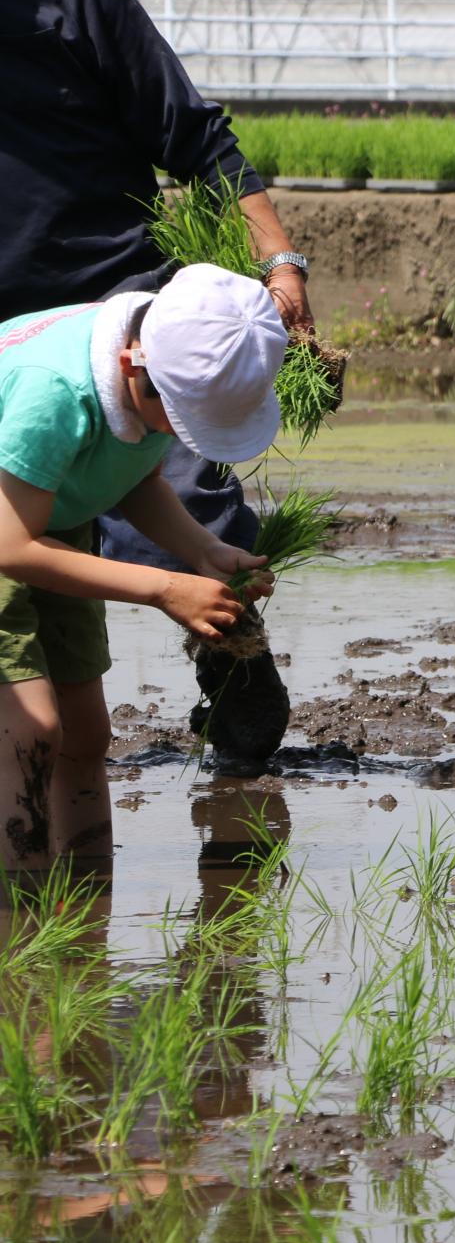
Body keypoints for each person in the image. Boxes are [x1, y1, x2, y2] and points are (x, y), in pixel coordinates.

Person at [0, 0, 322, 765]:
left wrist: (277, 260)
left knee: (185, 496)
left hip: (119, 302)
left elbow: (194, 136)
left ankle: (237, 668)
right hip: (13, 345)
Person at [0, 265, 284, 873]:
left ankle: (85, 902)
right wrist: (162, 588)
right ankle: (18, 921)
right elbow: (11, 547)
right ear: (134, 365)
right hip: (7, 530)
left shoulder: (168, 360)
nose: (179, 435)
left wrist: (202, 550)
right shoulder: (53, 392)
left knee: (85, 734)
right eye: (179, 419)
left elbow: (135, 481)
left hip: (50, 518)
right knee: (30, 731)